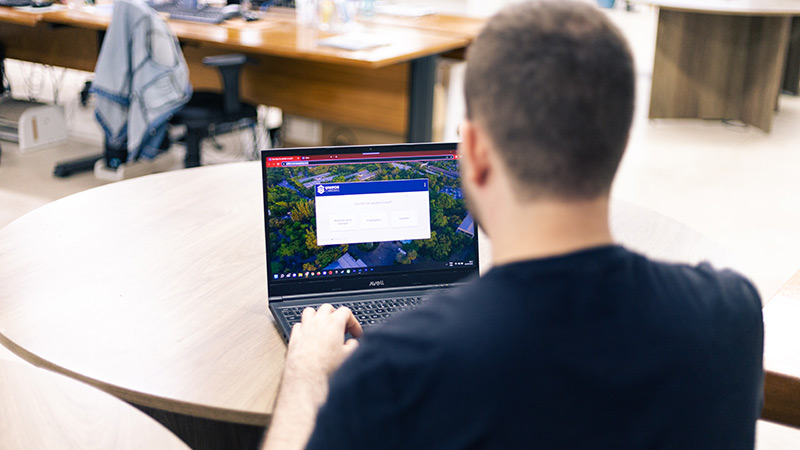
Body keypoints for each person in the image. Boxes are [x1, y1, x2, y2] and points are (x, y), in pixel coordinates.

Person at [262, 1, 764, 449]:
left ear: (475, 152)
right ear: (617, 143)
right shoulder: (730, 315)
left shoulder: (400, 367)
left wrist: (306, 373)